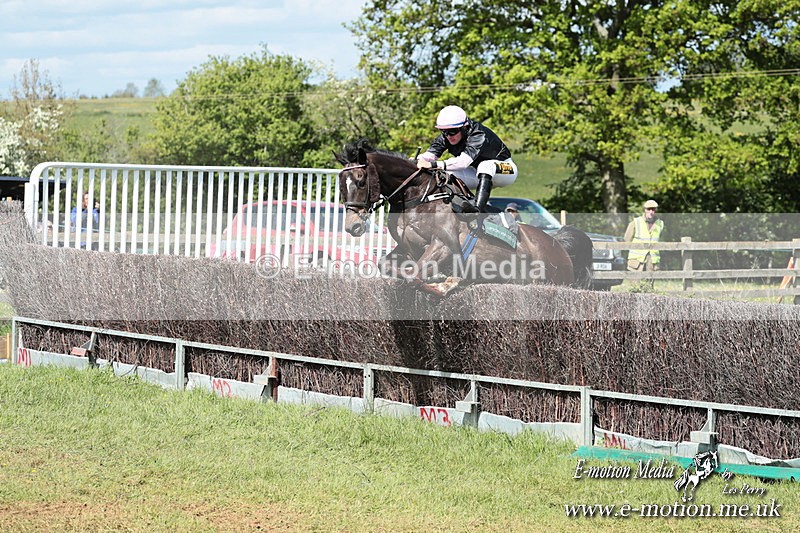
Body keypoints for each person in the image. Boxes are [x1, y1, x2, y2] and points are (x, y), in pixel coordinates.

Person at [416, 105, 518, 213]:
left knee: (485, 166)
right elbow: (428, 156)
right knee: (444, 174)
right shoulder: (445, 137)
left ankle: (477, 210)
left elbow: (462, 163)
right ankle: (461, 206)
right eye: (444, 131)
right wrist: (412, 161)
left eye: (453, 131)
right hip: (477, 173)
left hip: (506, 170)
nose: (448, 136)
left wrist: (433, 165)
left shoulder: (478, 134)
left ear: (464, 127)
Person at [624, 199, 664, 271]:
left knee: (649, 282)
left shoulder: (660, 224)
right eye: (649, 209)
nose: (651, 212)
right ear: (645, 210)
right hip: (636, 261)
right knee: (635, 282)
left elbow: (660, 240)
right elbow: (627, 239)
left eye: (653, 209)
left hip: (652, 262)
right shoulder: (635, 222)